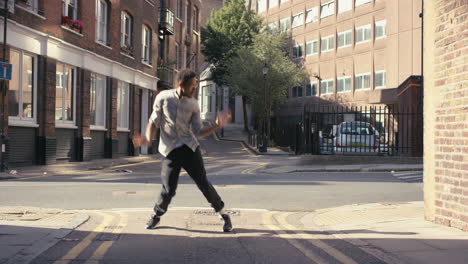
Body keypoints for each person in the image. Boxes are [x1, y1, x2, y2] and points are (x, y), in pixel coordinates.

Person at [133, 69, 233, 232]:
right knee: (168, 189)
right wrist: (147, 139)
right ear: (181, 85)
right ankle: (156, 216)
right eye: (193, 87)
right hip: (170, 150)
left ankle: (224, 215)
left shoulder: (193, 104)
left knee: (203, 183)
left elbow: (198, 131)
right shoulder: (163, 98)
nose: (195, 90)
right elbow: (153, 121)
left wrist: (216, 125)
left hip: (190, 149)